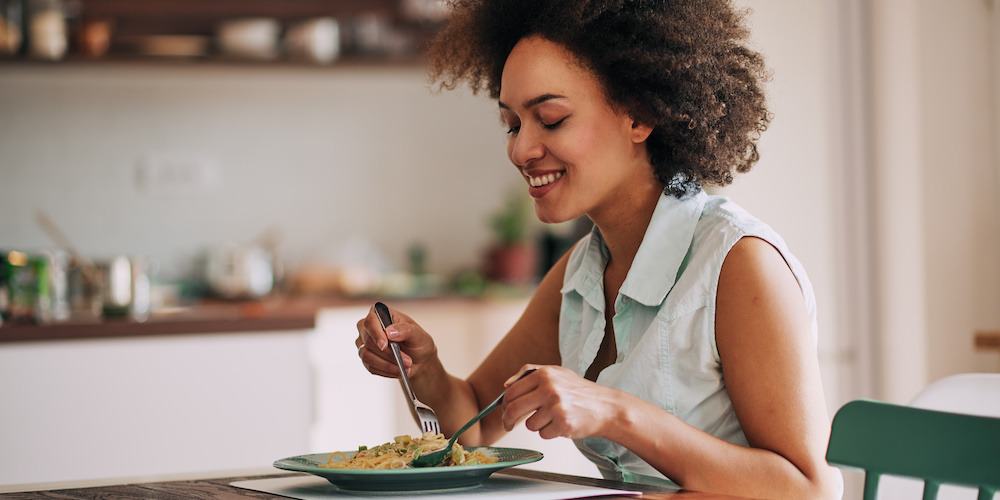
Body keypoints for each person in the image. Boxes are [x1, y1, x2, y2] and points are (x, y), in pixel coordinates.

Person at [354, 1, 843, 497]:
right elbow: (477, 426)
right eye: (513, 124)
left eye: (551, 118)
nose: (522, 150)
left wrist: (613, 411)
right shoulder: (581, 272)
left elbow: (809, 489)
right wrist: (425, 367)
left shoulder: (738, 265)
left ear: (640, 115)